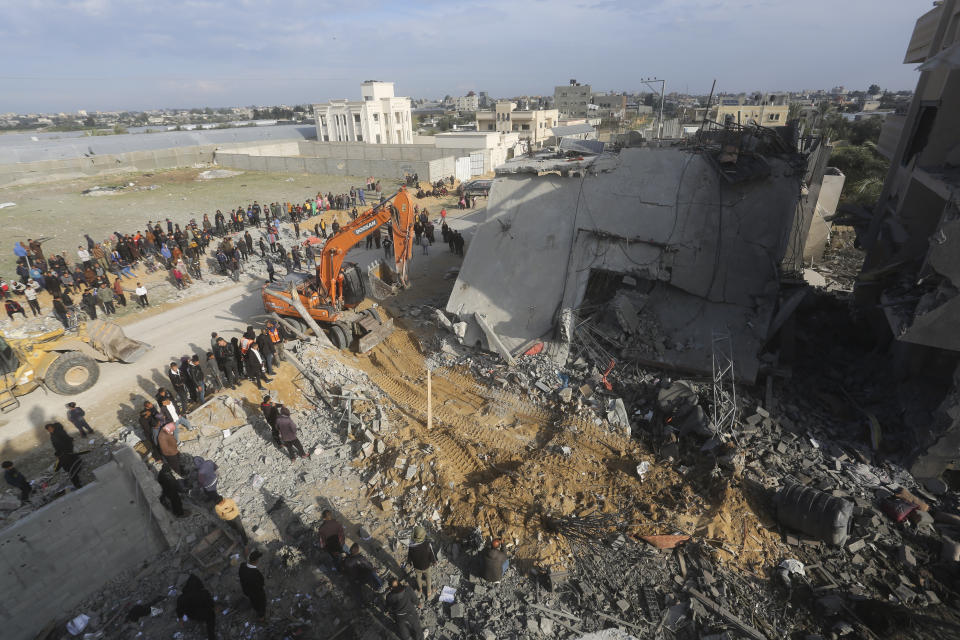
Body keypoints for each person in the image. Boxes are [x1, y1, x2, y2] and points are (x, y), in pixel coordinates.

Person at [176, 574, 217, 640]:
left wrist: (180, 619)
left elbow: (179, 610)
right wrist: (214, 608)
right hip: (205, 614)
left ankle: (200, 624)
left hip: (192, 615)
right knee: (211, 616)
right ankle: (211, 636)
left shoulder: (181, 598)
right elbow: (211, 604)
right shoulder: (204, 593)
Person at [46, 422, 83, 488]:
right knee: (71, 469)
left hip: (66, 453)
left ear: (53, 427)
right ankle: (77, 483)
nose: (49, 430)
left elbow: (66, 440)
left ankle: (77, 484)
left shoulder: (58, 433)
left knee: (71, 468)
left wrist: (64, 451)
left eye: (50, 428)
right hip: (64, 454)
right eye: (48, 430)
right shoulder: (53, 435)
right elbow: (58, 445)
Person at [407, 525, 437, 600]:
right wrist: (434, 562)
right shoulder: (427, 544)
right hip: (426, 566)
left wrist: (409, 562)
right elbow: (431, 555)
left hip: (417, 566)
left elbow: (409, 555)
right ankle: (429, 592)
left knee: (418, 577)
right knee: (428, 578)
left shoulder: (411, 546)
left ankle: (420, 589)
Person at [239, 550, 266, 621]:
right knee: (260, 604)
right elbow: (261, 584)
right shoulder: (256, 574)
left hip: (246, 590)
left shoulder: (242, 566)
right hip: (255, 593)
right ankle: (261, 617)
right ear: (256, 561)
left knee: (253, 601)